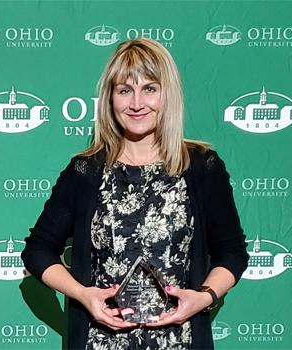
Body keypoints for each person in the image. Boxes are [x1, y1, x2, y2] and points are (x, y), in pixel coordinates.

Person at [22, 38, 248, 350]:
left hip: (180, 342)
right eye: (125, 90)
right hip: (97, 342)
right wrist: (83, 294)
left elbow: (232, 252)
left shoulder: (201, 167)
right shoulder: (86, 171)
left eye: (150, 89)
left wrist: (203, 297)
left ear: (167, 95)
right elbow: (38, 250)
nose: (137, 103)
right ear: (110, 98)